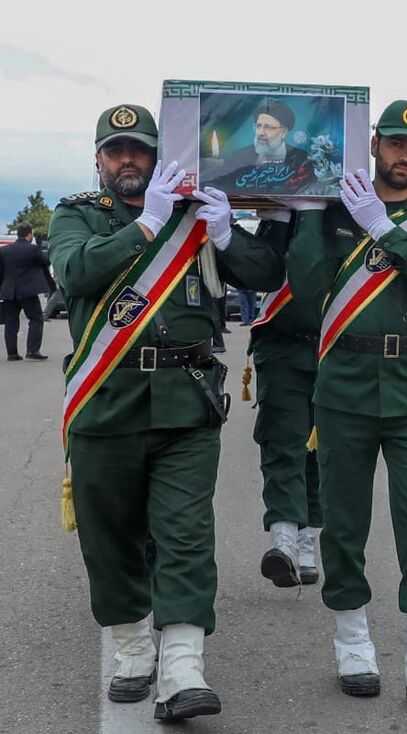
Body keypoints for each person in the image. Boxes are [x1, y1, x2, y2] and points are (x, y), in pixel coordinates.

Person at [48, 104, 285, 721]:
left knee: (184, 531)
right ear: (98, 159)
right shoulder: (79, 215)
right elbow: (75, 272)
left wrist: (228, 230)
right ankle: (131, 647)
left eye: (140, 149)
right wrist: (147, 225)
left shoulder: (194, 216)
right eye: (116, 150)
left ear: (159, 155)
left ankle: (183, 666)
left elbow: (265, 273)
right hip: (106, 396)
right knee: (111, 531)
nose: (128, 160)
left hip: (187, 396)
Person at [285, 99, 407, 706]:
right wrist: (314, 209)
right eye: (396, 145)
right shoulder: (336, 211)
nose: (405, 158)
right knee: (344, 521)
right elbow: (309, 293)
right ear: (374, 145)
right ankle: (353, 642)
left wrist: (383, 227)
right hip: (345, 383)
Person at [246, 213, 324, 590]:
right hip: (282, 345)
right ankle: (284, 539)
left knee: (322, 450)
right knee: (282, 441)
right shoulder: (277, 216)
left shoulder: (352, 209)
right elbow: (259, 270)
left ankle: (307, 538)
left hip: (335, 349)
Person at [212, 99, 313, 195]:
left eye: (268, 127)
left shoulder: (302, 160)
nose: (260, 133)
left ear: (284, 132)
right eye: (258, 126)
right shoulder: (238, 158)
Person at [1, 223, 53, 361]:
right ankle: (32, 351)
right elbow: (46, 262)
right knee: (36, 318)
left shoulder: (4, 251)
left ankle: (12, 354)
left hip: (9, 291)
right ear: (29, 235)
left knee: (10, 322)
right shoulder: (33, 249)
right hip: (28, 291)